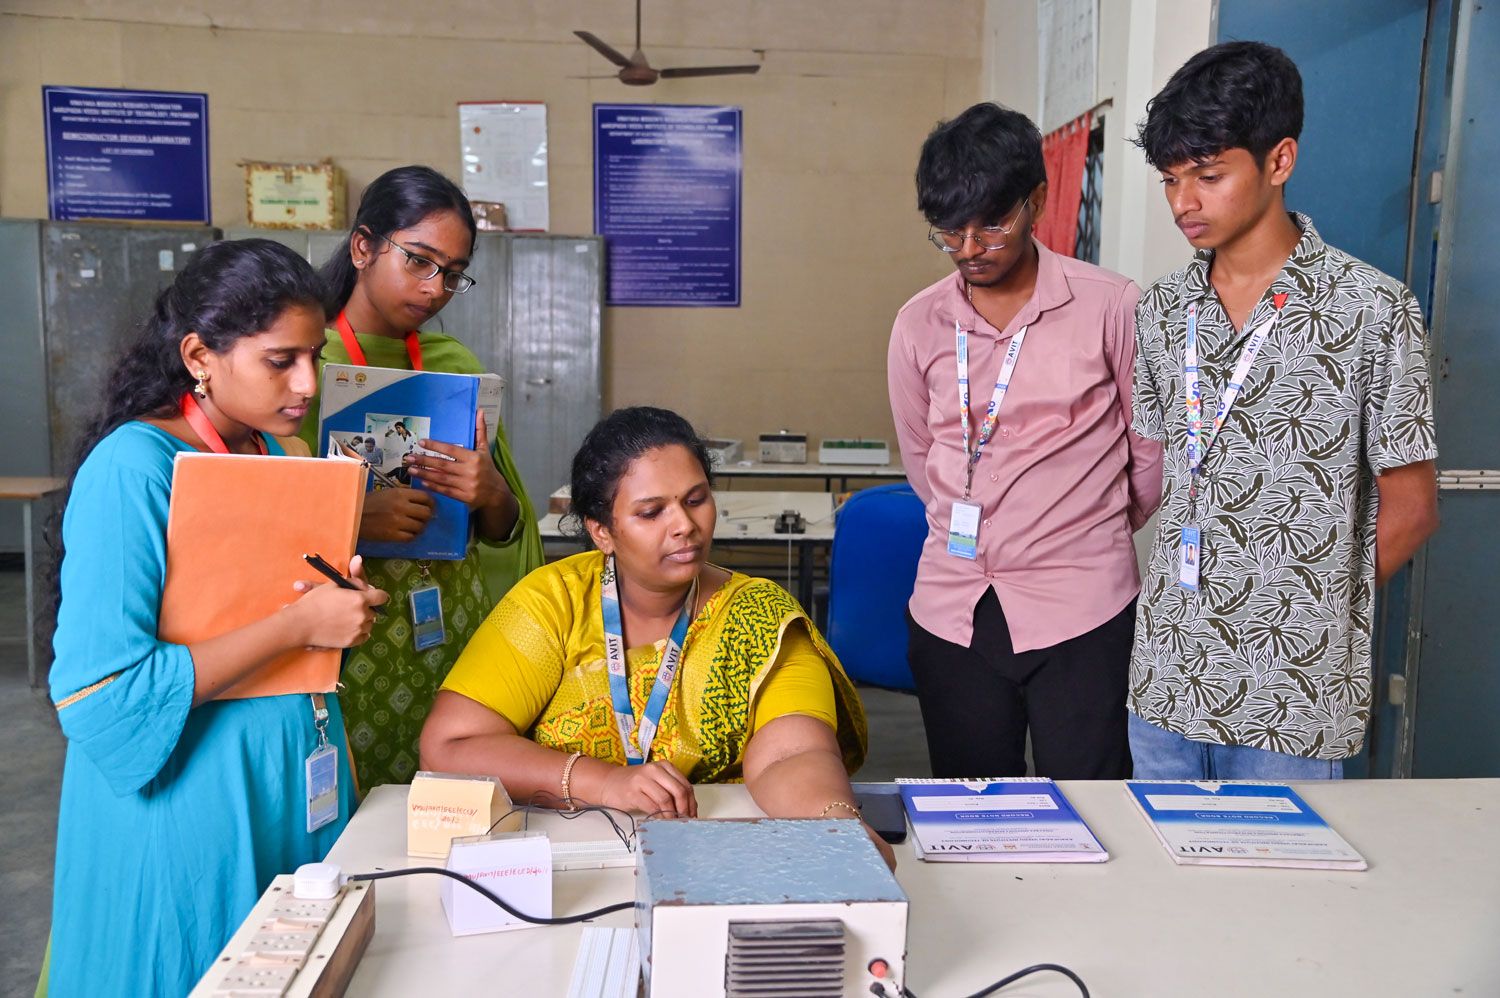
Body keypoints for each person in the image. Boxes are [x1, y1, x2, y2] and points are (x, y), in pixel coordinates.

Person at [43, 240, 388, 997]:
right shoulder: (132, 469)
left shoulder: (287, 455)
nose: (307, 384)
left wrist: (340, 612)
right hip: (187, 808)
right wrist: (298, 628)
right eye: (279, 360)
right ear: (200, 355)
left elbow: (285, 619)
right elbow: (102, 694)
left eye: (315, 355)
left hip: (287, 782)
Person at [1128, 42, 1440, 779]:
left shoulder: (1372, 308)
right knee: (1161, 889)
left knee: (1288, 895)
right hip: (1166, 681)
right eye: (1171, 180)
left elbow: (1412, 507)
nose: (1183, 203)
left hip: (1291, 694)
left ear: (1279, 161)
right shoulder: (1163, 310)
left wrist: (1311, 607)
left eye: (1208, 176)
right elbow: (1170, 472)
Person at [420, 407, 893, 868]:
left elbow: (793, 752)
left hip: (715, 855)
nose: (684, 525)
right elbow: (449, 745)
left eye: (695, 499)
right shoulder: (553, 603)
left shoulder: (759, 616)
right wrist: (604, 783)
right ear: (602, 531)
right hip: (567, 861)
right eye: (651, 512)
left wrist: (835, 826)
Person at [887, 103, 1164, 780]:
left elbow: (1150, 457)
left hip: (1084, 611)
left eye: (992, 225)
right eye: (949, 232)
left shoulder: (1113, 306)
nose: (971, 248)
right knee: (974, 810)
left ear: (1036, 201)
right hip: (953, 613)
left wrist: (1078, 531)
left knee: (1096, 807)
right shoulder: (918, 324)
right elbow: (921, 457)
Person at [300, 165, 543, 789]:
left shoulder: (454, 368)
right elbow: (260, 520)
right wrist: (352, 521)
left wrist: (490, 493)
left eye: (453, 273)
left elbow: (508, 530)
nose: (435, 287)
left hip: (448, 630)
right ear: (363, 246)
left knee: (447, 799)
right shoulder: (303, 366)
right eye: (419, 261)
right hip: (350, 636)